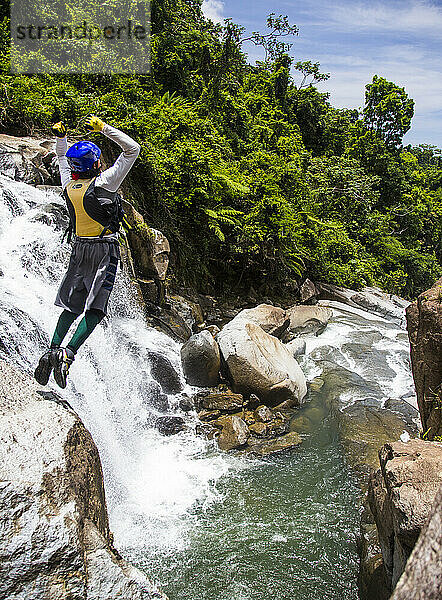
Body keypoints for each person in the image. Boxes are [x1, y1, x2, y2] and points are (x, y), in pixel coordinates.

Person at [34, 115, 140, 389]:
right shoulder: (105, 183)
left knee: (72, 305)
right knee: (95, 309)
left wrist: (61, 137)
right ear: (95, 164)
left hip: (79, 250)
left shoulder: (69, 185)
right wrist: (104, 128)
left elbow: (60, 156)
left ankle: (51, 349)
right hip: (104, 252)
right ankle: (68, 354)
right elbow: (132, 149)